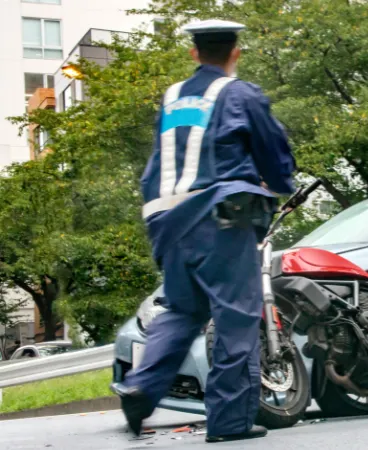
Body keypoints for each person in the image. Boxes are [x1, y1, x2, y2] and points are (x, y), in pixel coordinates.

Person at [110, 19, 296, 444]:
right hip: (220, 218)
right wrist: (281, 185)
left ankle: (141, 387)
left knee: (182, 309)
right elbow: (273, 153)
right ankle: (230, 421)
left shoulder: (171, 98)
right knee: (236, 316)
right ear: (235, 53)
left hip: (166, 221)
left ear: (194, 54)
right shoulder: (239, 93)